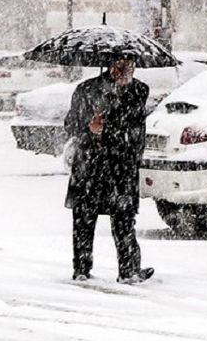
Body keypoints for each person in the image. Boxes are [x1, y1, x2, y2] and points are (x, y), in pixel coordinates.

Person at [63, 54, 155, 284]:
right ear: (110, 65)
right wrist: (89, 127)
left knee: (124, 219)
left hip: (122, 165)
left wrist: (111, 128)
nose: (125, 70)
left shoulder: (139, 91)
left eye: (130, 65)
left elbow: (133, 128)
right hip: (90, 164)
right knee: (84, 218)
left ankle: (129, 269)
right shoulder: (86, 90)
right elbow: (70, 124)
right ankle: (82, 269)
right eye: (120, 65)